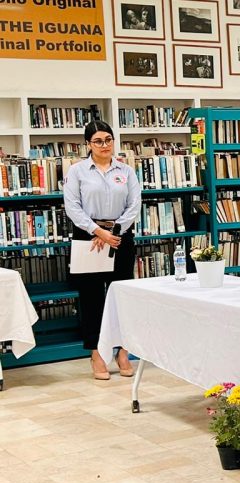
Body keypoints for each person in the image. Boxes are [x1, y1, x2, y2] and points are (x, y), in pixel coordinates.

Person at [63, 121, 141, 380]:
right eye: (98, 141)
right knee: (92, 297)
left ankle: (122, 351)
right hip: (89, 238)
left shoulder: (127, 171)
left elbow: (134, 205)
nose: (105, 145)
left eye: (108, 139)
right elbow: (73, 207)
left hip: (120, 238)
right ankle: (96, 353)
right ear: (88, 144)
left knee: (121, 296)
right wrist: (98, 232)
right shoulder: (77, 172)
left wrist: (114, 232)